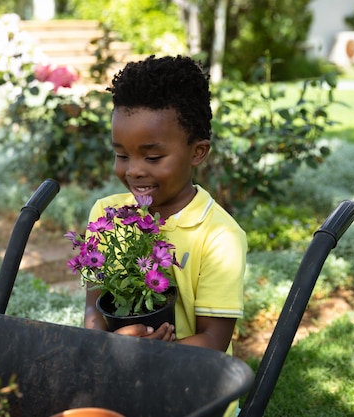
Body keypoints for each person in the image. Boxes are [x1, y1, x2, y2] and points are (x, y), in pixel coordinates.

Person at [83, 55, 247, 417]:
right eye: (121, 154)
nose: (134, 170)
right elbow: (94, 307)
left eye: (153, 157)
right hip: (123, 381)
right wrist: (107, 346)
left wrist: (150, 354)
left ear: (197, 152)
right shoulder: (107, 216)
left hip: (196, 393)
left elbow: (215, 340)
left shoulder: (218, 236)